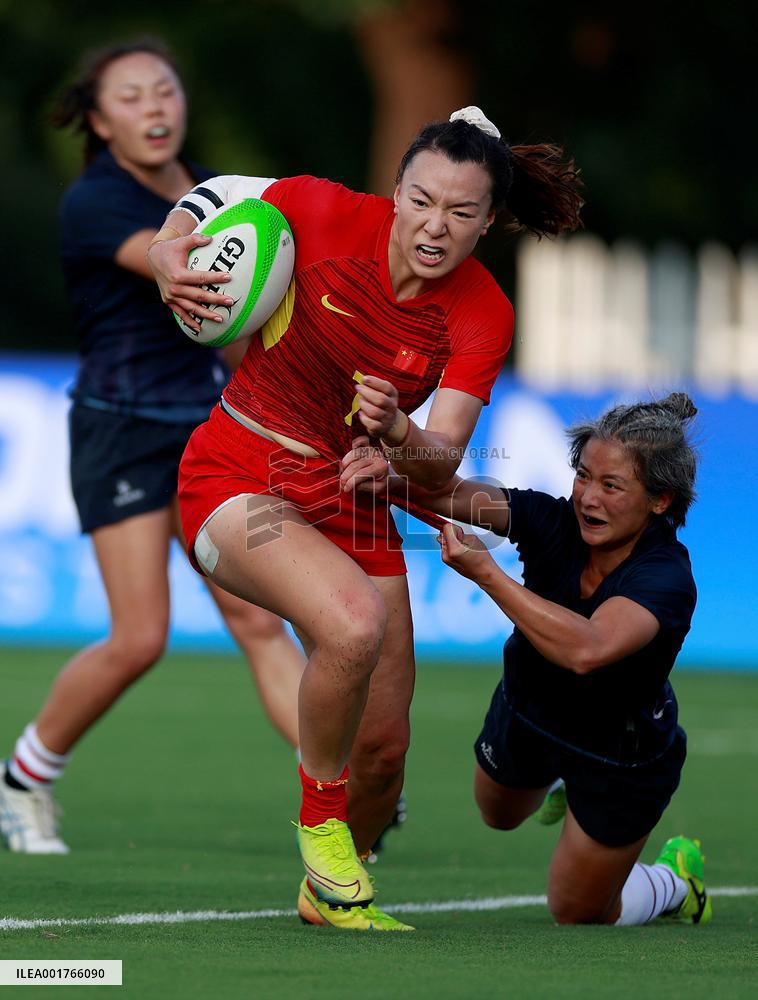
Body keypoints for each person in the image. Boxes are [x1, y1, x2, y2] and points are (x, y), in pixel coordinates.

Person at [147, 106, 583, 931]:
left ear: (488, 221)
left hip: (356, 503)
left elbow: (440, 459)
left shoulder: (481, 311)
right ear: (395, 190)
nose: (434, 225)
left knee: (383, 753)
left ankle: (337, 875)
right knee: (351, 624)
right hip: (241, 470)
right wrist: (168, 247)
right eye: (421, 201)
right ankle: (321, 831)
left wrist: (396, 436)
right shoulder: (319, 211)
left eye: (460, 213)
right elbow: (209, 198)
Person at [0, 40, 306, 856]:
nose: (154, 108)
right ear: (99, 121)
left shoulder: (207, 189)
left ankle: (343, 792)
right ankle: (23, 779)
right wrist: (207, 258)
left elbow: (237, 328)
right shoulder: (95, 202)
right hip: (120, 432)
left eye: (164, 90)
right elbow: (171, 263)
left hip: (207, 428)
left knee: (259, 619)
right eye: (130, 97)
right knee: (140, 637)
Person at [394, 392, 710, 926]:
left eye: (612, 486)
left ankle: (676, 880)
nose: (588, 498)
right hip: (533, 708)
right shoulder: (552, 519)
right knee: (497, 813)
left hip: (621, 749)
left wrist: (487, 574)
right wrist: (385, 475)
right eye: (583, 476)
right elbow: (447, 494)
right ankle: (560, 782)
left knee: (579, 911)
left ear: (661, 501)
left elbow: (587, 650)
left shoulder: (667, 578)